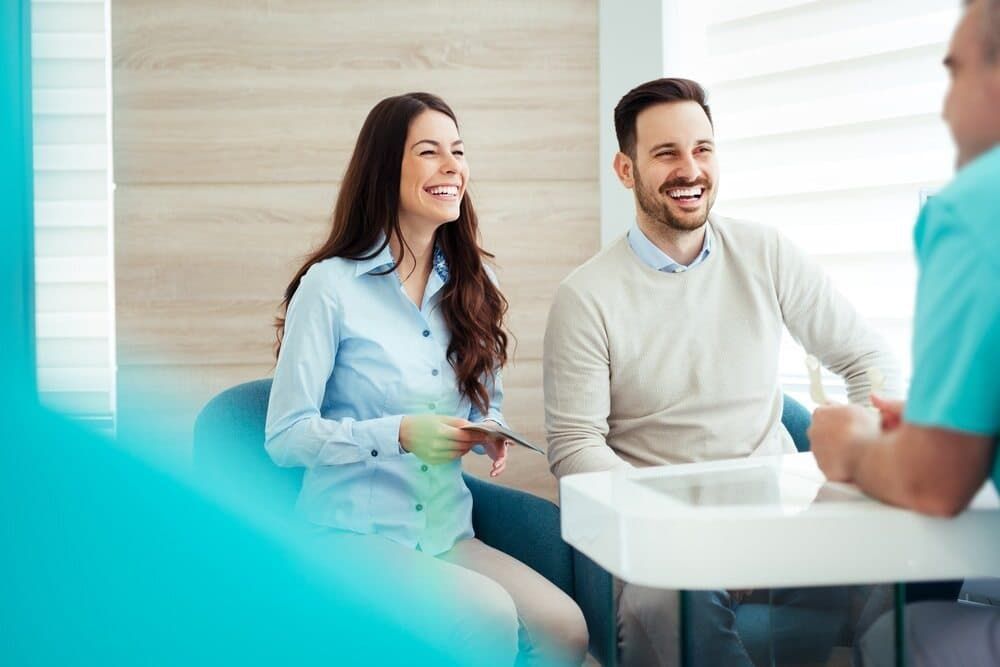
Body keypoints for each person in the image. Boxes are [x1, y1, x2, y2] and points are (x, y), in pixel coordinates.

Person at [543, 77, 900, 666]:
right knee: (669, 601)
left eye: (702, 149)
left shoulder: (766, 252)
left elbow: (868, 361)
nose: (690, 170)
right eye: (666, 153)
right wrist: (685, 532)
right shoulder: (585, 297)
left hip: (779, 526)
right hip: (667, 541)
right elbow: (575, 446)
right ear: (626, 170)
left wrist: (852, 465)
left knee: (911, 549)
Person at [265, 92, 588, 666]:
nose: (452, 167)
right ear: (385, 168)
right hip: (351, 536)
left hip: (445, 536)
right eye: (429, 152)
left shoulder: (475, 284)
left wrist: (486, 431)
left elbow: (484, 404)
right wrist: (399, 433)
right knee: (486, 614)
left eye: (458, 152)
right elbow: (285, 437)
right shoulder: (330, 287)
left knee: (565, 630)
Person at [809, 1, 1000, 664]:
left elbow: (933, 484)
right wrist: (943, 416)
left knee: (892, 633)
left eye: (955, 72)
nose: (945, 109)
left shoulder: (977, 207)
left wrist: (852, 445)